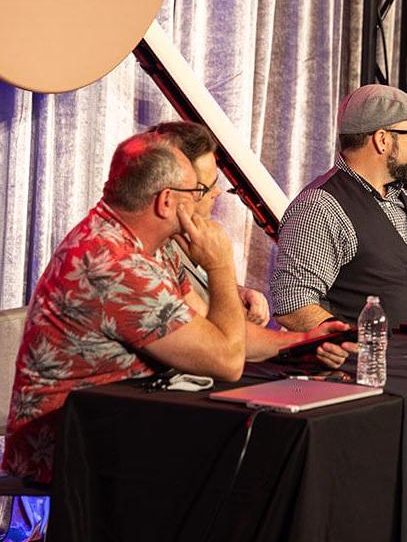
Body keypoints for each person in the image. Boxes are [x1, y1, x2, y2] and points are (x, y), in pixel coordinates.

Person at [3, 124, 345, 483]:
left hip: (124, 428)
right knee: (259, 462)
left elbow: (206, 330)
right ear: (167, 201)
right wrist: (220, 265)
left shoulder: (148, 244)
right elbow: (226, 360)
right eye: (198, 190)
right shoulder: (113, 264)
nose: (207, 198)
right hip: (72, 449)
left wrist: (302, 342)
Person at [271, 84, 407, 341]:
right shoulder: (320, 207)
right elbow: (293, 302)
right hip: (366, 369)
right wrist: (352, 346)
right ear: (383, 140)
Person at [156, 122, 270, 325]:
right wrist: (222, 266)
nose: (217, 192)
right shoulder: (153, 256)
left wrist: (240, 292)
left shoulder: (186, 236)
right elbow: (214, 339)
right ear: (172, 189)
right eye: (207, 187)